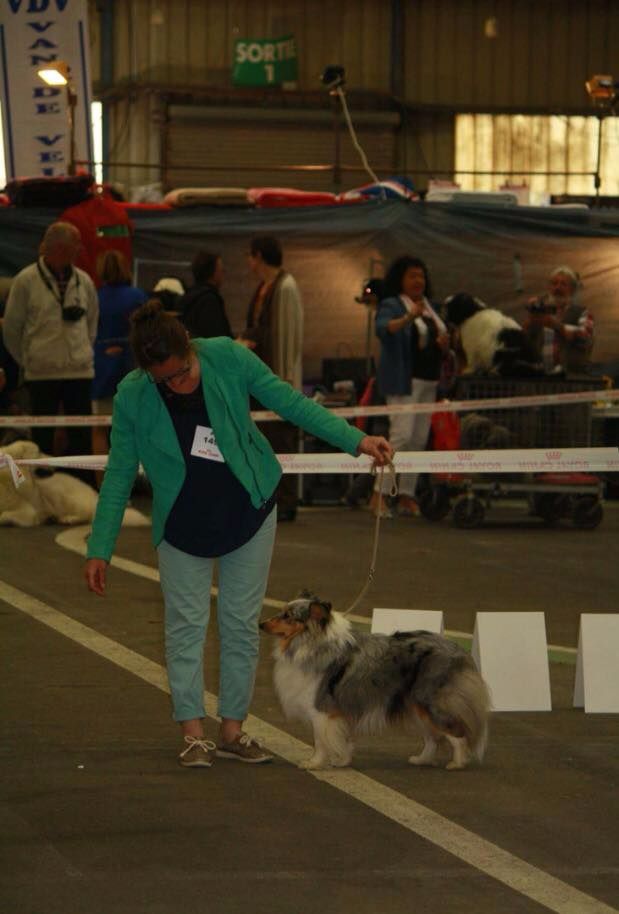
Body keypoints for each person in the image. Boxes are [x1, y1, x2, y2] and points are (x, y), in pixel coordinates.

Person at [84, 300, 392, 769]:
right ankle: (193, 733)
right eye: (166, 379)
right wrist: (99, 548)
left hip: (249, 511)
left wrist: (357, 440)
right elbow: (120, 471)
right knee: (184, 629)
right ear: (148, 372)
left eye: (183, 370)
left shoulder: (227, 356)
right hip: (182, 525)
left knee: (239, 628)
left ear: (189, 347)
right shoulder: (133, 395)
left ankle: (233, 730)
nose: (180, 383)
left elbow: (290, 402)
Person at [2, 222, 98, 464]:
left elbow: (92, 324)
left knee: (81, 440)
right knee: (41, 441)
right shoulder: (25, 281)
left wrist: (82, 353)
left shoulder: (84, 281)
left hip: (79, 372)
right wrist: (29, 360)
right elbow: (12, 328)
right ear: (60, 248)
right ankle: (41, 492)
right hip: (40, 374)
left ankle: (85, 492)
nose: (79, 250)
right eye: (75, 245)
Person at [371, 256, 449, 518]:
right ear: (400, 280)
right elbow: (384, 329)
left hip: (429, 381)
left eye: (422, 276)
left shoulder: (431, 307)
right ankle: (378, 494)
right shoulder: (392, 305)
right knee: (401, 436)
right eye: (412, 276)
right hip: (403, 380)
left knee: (418, 440)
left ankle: (406, 494)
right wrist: (408, 317)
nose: (419, 281)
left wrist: (444, 344)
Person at [244, 235, 303, 521]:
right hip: (261, 378)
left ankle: (286, 501)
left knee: (281, 440)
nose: (249, 263)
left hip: (278, 376)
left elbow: (288, 337)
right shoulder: (265, 287)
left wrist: (287, 378)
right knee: (264, 439)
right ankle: (269, 497)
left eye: (250, 256)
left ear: (258, 256)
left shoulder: (285, 287)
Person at [92, 250, 147, 460]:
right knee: (135, 428)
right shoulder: (138, 297)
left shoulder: (95, 297)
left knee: (99, 428)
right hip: (131, 365)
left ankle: (100, 484)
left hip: (101, 367)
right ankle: (138, 480)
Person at [522, 266, 594, 375]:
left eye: (563, 284)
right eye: (554, 283)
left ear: (572, 290)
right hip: (541, 377)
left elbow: (585, 338)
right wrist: (530, 320)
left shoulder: (583, 312)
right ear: (549, 288)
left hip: (572, 379)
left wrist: (555, 325)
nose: (557, 288)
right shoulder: (542, 311)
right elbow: (524, 341)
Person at [180, 250, 232, 340]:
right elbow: (218, 338)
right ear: (213, 273)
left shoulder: (188, 296)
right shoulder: (209, 300)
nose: (223, 274)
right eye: (221, 270)